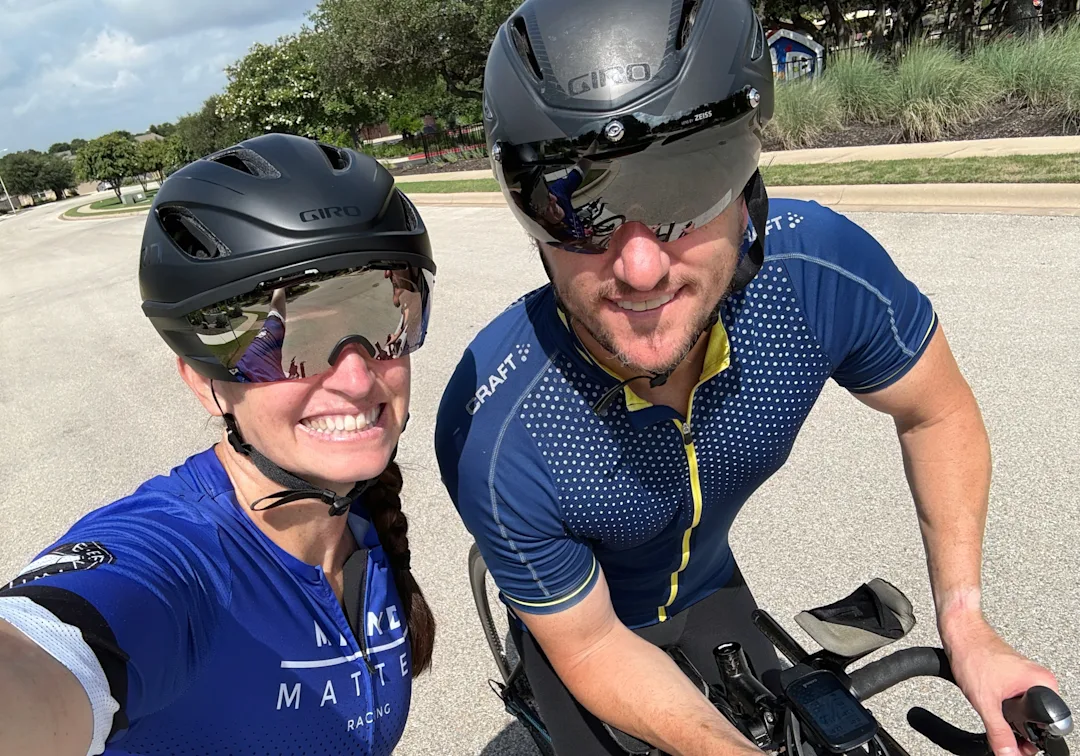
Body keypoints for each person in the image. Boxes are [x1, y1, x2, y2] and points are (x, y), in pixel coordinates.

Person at [435, 1, 1060, 755]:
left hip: (709, 586)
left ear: (746, 180)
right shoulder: (494, 432)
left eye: (685, 186)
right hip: (588, 629)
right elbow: (592, 646)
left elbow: (936, 413)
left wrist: (967, 624)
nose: (640, 267)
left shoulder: (818, 271)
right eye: (576, 203)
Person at [0, 133, 437, 755]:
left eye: (383, 324)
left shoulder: (363, 519)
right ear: (205, 383)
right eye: (292, 343)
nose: (357, 377)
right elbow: (37, 658)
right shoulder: (177, 558)